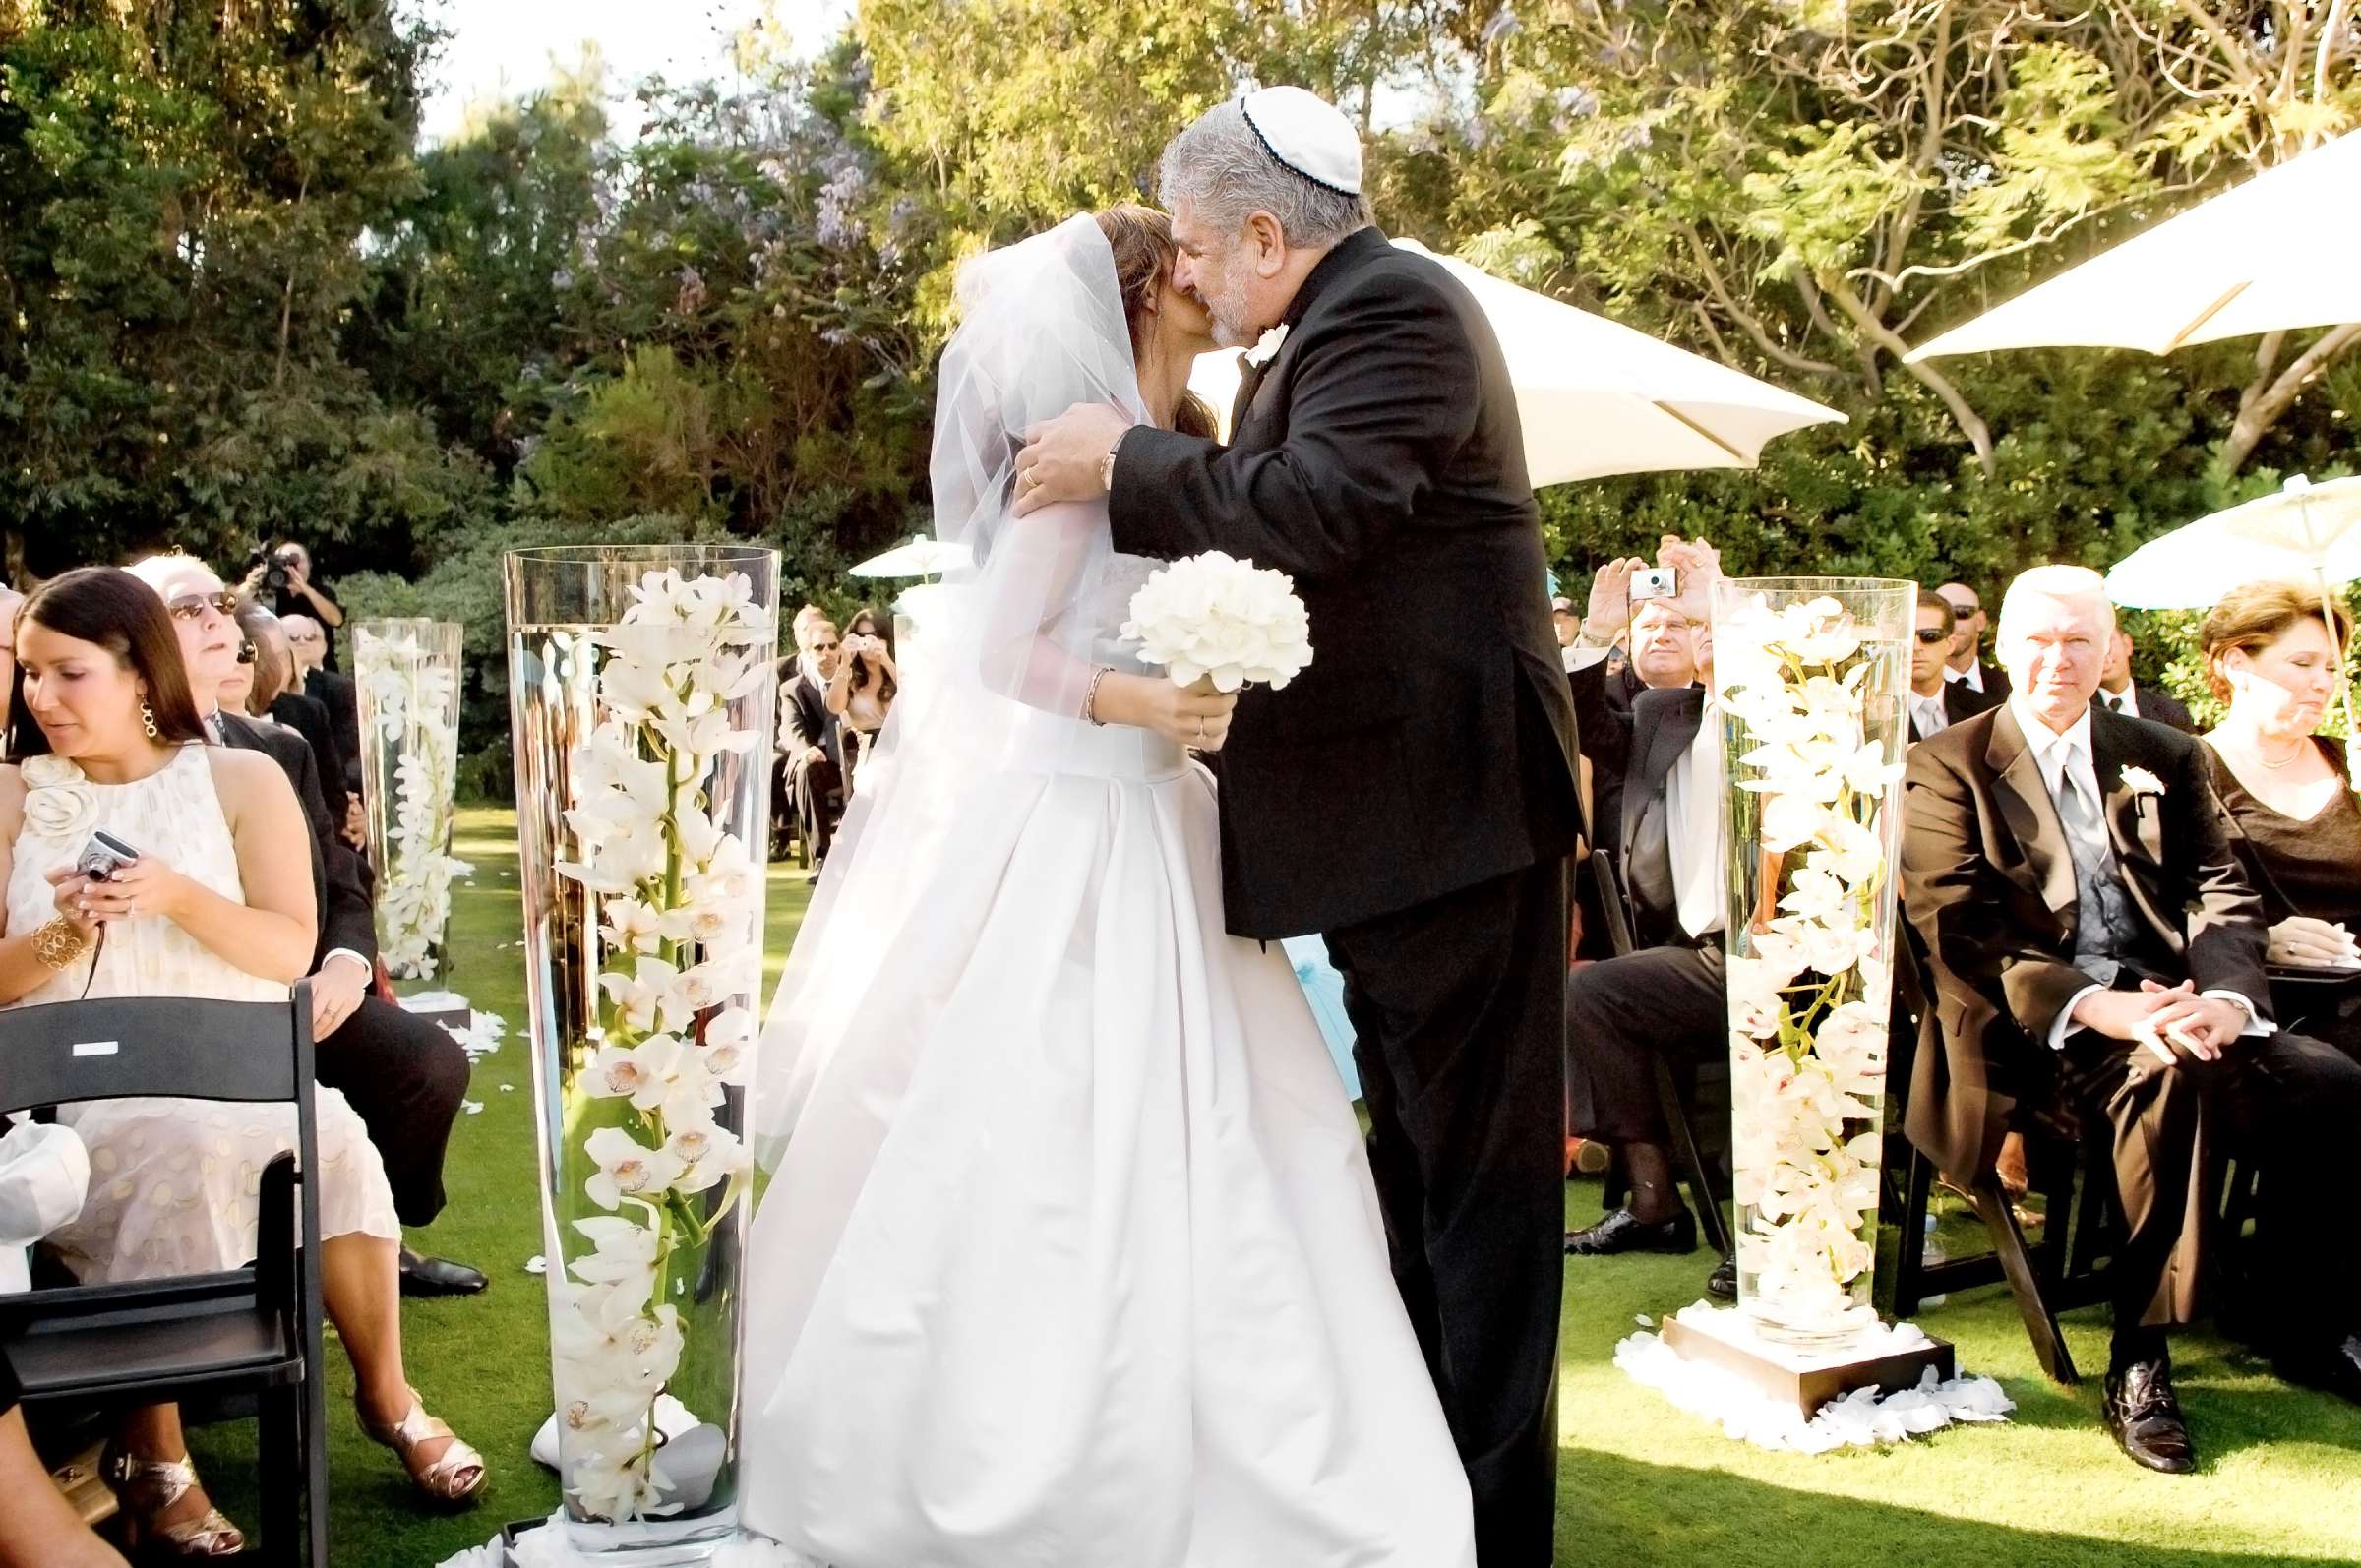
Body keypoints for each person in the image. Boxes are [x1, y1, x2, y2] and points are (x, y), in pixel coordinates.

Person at [741, 207, 1476, 1567]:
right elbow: (1001, 651)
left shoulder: (1196, 447)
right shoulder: (1071, 455)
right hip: (1073, 821)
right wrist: (1142, 694)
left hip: (1176, 828)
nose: (1207, 276)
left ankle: (1252, 1433)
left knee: (1246, 1127)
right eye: (1183, 265)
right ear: (1144, 294)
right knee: (1038, 1125)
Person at [1014, 90, 1577, 1564]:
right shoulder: (1334, 326)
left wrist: (1117, 465)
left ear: (1269, 232)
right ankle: (1422, 1499)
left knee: (1483, 1207)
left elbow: (1322, 508)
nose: (1189, 275)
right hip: (1402, 832)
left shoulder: (1397, 311)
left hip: (1458, 823)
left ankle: (1497, 1529)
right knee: (1414, 1184)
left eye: (1200, 245)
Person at [1, 569, 485, 1554]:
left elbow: (286, 949)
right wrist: (62, 931)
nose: (39, 699)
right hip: (74, 1099)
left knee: (336, 1137)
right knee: (177, 1149)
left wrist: (174, 893)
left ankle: (388, 1395)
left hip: (242, 1073)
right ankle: (153, 1456)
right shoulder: (13, 795)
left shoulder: (241, 778)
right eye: (27, 675)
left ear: (141, 675)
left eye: (67, 673)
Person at [1901, 565, 2361, 1474]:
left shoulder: (2163, 749)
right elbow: (1958, 932)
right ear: (1999, 646)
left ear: (2112, 646)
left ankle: (2303, 1323)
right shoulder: (1945, 763)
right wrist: (2099, 1006)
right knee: (2162, 1077)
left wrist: (2228, 999)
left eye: (2080, 641)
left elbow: (2218, 890)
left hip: (2177, 1005)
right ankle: (2139, 1359)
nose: (2058, 661)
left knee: (2332, 1081)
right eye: (2038, 639)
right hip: (2033, 1035)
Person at [124, 557, 483, 1302]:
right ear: (136, 638)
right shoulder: (109, 759)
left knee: (427, 1064)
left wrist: (347, 966)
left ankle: (381, 1235)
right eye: (187, 608)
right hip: (173, 1002)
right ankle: (265, 1272)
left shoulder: (277, 747)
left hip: (298, 987)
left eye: (220, 602)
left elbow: (342, 880)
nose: (217, 618)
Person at [1559, 545, 1735, 1300]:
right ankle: (1654, 1202)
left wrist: (1722, 610)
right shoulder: (1661, 715)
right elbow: (1577, 726)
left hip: (1787, 948)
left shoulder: (1777, 713)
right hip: (1695, 953)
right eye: (1655, 623)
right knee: (1592, 994)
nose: (1677, 633)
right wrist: (1593, 641)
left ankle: (1768, 1229)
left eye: (1690, 624)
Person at [2197, 581, 2361, 1055]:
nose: (2324, 682)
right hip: (2270, 1018)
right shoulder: (2187, 772)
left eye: (2331, 667)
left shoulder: (2348, 762)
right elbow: (2164, 909)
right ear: (2236, 664)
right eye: (2302, 663)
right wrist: (2259, 939)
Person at [776, 615, 848, 865]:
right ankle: (823, 858)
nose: (827, 653)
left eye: (832, 646)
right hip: (821, 762)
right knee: (807, 770)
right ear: (807, 652)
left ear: (840, 649)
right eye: (819, 647)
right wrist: (805, 750)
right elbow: (790, 730)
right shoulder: (792, 689)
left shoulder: (854, 681)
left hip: (853, 759)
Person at [280, 612, 360, 787]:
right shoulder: (264, 685)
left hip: (328, 783)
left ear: (324, 645)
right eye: (293, 638)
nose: (302, 642)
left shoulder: (340, 687)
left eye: (310, 637)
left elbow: (346, 748)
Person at [1908, 589, 1997, 742]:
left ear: (1950, 644)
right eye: (1907, 636)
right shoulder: (1871, 714)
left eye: (1930, 636)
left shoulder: (1983, 711)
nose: (1916, 647)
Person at [242, 542, 344, 671]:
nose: (291, 567)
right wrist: (249, 586)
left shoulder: (320, 591)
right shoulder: (268, 590)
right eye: (284, 562)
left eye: (295, 561)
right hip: (278, 670)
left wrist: (305, 589)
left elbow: (337, 620)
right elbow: (231, 608)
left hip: (320, 671)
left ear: (309, 564)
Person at [824, 622, 898, 785]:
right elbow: (834, 707)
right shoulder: (850, 681)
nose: (869, 642)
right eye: (862, 637)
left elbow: (913, 699)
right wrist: (844, 662)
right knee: (880, 779)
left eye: (875, 635)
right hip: (872, 756)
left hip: (905, 751)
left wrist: (886, 661)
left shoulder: (900, 672)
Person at [2094, 627, 2195, 731]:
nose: (2103, 653)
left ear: (2127, 644)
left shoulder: (2172, 713)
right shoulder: (2080, 716)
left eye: (2107, 641)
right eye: (2093, 646)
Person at [1936, 579, 2009, 700]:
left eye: (1961, 612)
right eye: (1943, 615)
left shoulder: (2010, 688)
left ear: (1980, 621)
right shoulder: (1912, 689)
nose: (1952, 623)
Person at [1552, 594, 1581, 668]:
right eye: (1556, 620)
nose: (1561, 625)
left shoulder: (1589, 658)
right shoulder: (1541, 660)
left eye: (1567, 620)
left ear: (1578, 625)